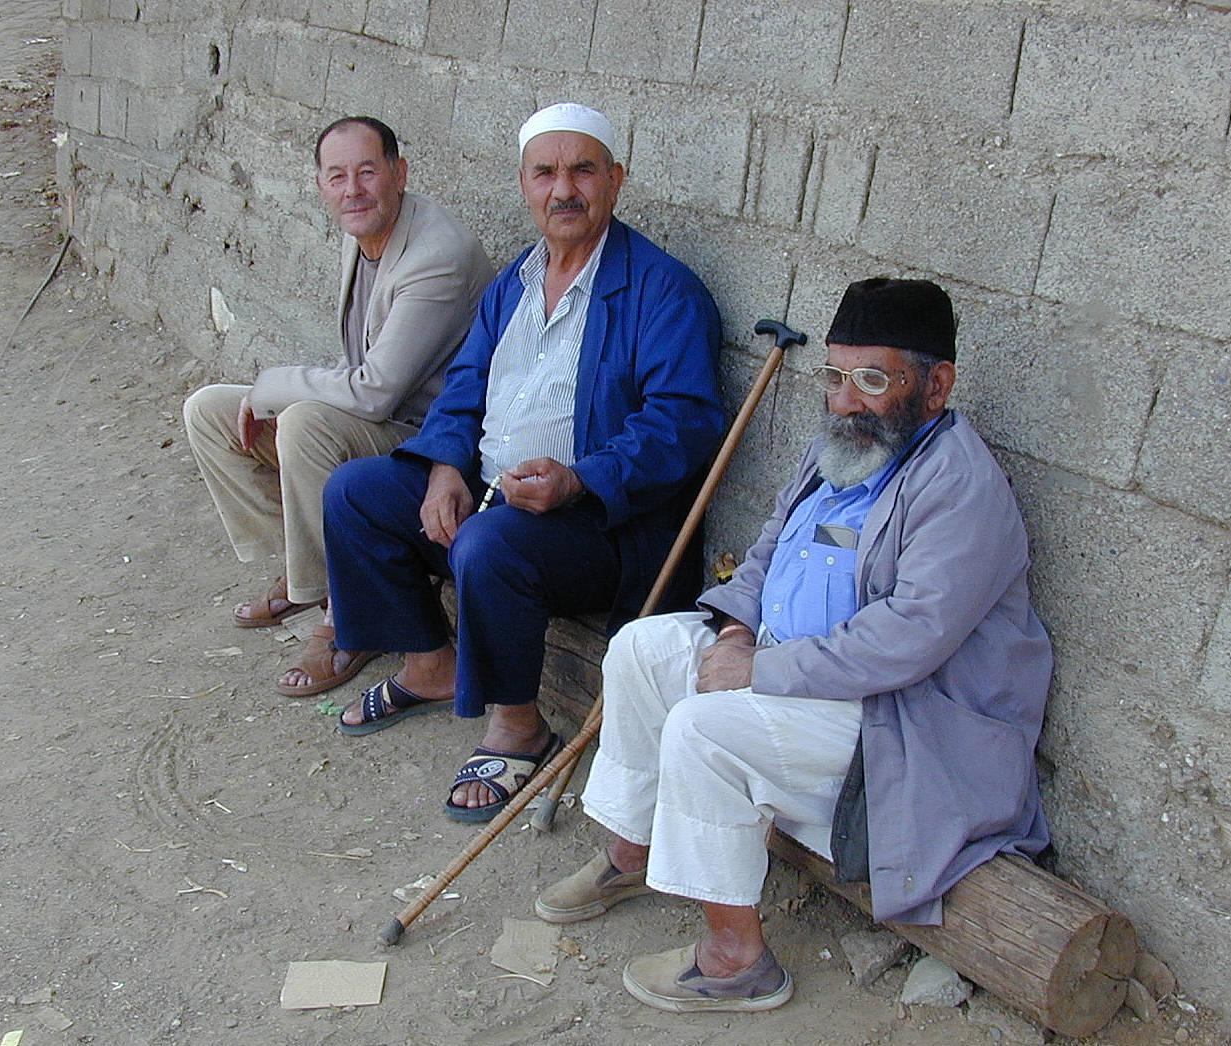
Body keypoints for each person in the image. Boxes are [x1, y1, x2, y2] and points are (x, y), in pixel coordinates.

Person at [533, 278, 1053, 1014]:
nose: (845, 398)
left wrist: (760, 669)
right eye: (835, 376)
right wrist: (739, 630)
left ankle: (734, 961)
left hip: (903, 721)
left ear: (936, 386)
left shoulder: (958, 487)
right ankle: (632, 849)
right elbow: (765, 554)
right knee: (640, 650)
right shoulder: (840, 452)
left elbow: (907, 639)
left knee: (702, 729)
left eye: (873, 379)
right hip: (804, 678)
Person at [322, 103, 724, 823]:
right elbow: (464, 386)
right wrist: (445, 464)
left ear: (615, 181)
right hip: (490, 493)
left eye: (582, 170)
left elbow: (682, 424)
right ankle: (429, 662)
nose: (562, 189)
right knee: (357, 491)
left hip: (599, 526)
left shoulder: (664, 288)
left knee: (488, 542)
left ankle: (518, 726)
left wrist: (580, 478)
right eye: (545, 172)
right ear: (524, 183)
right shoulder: (513, 281)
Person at [182, 116, 495, 697]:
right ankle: (312, 576)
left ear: (399, 174)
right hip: (381, 418)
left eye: (367, 172)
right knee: (209, 411)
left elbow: (376, 390)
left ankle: (343, 622)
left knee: (302, 424)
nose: (352, 189)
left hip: (431, 440)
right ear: (321, 186)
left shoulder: (436, 255)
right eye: (337, 176)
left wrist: (276, 384)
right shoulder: (364, 232)